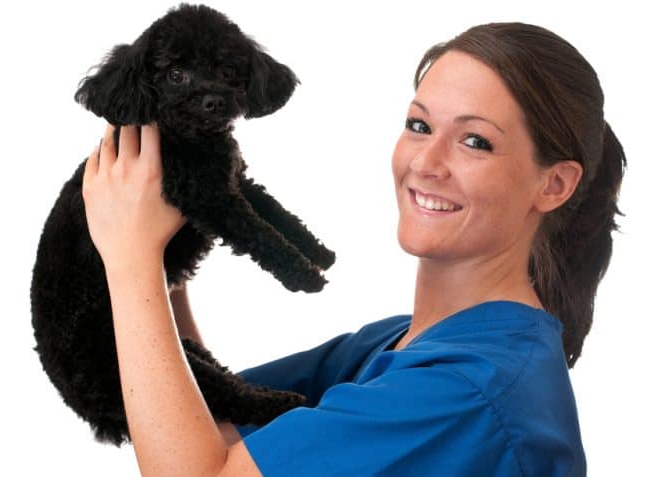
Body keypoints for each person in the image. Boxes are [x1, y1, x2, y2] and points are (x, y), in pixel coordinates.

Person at [81, 21, 625, 477]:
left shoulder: (467, 390)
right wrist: (165, 260)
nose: (426, 163)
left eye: (474, 141)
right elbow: (201, 426)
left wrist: (130, 257)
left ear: (553, 185)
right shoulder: (393, 344)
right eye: (419, 125)